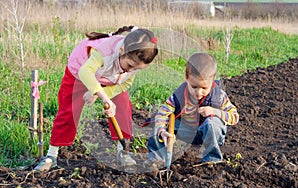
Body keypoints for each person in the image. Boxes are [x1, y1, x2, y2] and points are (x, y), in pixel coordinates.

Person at [34, 25, 158, 171]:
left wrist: (99, 94)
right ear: (122, 50)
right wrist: (104, 98)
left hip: (110, 80)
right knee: (69, 111)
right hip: (79, 74)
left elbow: (125, 84)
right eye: (130, 65)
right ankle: (51, 155)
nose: (130, 70)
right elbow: (85, 72)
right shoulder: (104, 52)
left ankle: (123, 152)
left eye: (136, 69)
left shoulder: (134, 62)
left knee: (123, 108)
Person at [145, 52, 239, 170]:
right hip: (186, 132)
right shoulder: (179, 95)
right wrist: (162, 131)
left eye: (204, 88)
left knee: (211, 123)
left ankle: (211, 161)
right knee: (157, 121)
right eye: (194, 87)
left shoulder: (219, 96)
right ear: (187, 78)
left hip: (208, 133)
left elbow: (234, 117)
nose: (198, 92)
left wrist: (215, 112)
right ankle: (156, 160)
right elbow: (162, 113)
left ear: (213, 81)